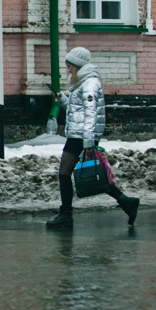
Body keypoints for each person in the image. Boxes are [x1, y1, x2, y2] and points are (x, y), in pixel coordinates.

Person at [46, 47, 139, 229]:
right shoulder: (81, 82)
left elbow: (90, 114)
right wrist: (62, 99)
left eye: (70, 66)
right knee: (94, 173)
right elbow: (78, 110)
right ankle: (127, 202)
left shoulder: (88, 84)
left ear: (78, 66)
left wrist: (89, 142)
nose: (68, 70)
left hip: (81, 135)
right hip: (79, 134)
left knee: (66, 173)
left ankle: (66, 215)